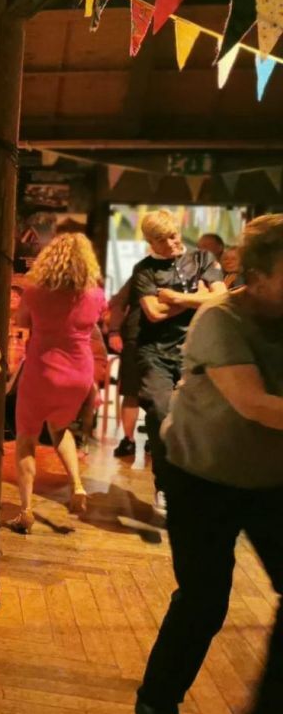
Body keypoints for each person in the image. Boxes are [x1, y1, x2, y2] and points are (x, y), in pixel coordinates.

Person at [134, 215, 283, 714]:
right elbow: (255, 404)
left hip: (271, 478)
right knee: (204, 600)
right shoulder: (220, 318)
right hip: (201, 475)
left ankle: (274, 713)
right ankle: (156, 704)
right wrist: (185, 300)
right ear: (261, 276)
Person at [129, 210, 225, 513]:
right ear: (149, 242)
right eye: (161, 240)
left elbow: (220, 298)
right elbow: (153, 313)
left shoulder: (202, 259)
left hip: (195, 351)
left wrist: (175, 298)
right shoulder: (144, 269)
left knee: (198, 420)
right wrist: (196, 298)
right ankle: (165, 485)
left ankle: (195, 485)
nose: (170, 243)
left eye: (172, 236)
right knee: (160, 413)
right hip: (154, 351)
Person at [10, 233, 107, 532]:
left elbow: (22, 322)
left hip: (43, 371)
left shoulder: (36, 290)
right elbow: (96, 322)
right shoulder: (95, 294)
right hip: (79, 374)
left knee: (26, 438)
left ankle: (26, 510)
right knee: (59, 428)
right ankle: (77, 485)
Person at [107, 271, 146, 461]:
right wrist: (114, 331)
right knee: (131, 390)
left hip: (170, 341)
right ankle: (128, 438)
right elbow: (118, 302)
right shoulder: (140, 274)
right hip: (136, 337)